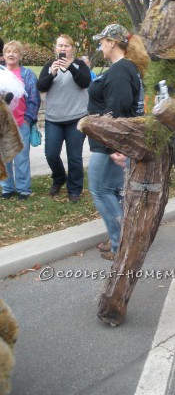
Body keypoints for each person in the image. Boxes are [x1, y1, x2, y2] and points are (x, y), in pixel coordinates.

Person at [87, 23, 149, 260]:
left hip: (109, 145)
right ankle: (121, 239)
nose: (100, 45)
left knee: (100, 189)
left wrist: (115, 147)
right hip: (110, 144)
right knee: (112, 190)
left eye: (102, 41)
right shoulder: (122, 68)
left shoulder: (121, 70)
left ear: (112, 42)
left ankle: (121, 245)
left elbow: (119, 111)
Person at [37, 34, 91, 202]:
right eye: (60, 45)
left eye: (66, 46)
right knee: (51, 154)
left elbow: (85, 82)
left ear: (72, 49)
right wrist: (52, 73)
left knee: (74, 156)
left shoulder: (79, 65)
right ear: (55, 48)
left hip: (76, 119)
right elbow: (41, 87)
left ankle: (74, 189)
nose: (63, 48)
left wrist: (71, 67)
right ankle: (59, 177)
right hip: (54, 119)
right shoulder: (48, 66)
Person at [0, 40, 41, 200]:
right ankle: (7, 188)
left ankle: (24, 188)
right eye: (8, 51)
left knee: (21, 157)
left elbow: (34, 99)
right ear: (3, 54)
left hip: (20, 122)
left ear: (20, 55)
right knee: (5, 156)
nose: (11, 54)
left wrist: (27, 119)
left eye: (15, 51)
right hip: (3, 125)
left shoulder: (27, 74)